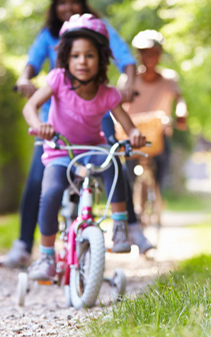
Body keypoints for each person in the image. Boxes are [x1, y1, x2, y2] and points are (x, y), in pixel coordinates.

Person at [0, 0, 152, 269]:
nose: (67, 7)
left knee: (112, 157)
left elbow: (126, 60)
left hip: (95, 115)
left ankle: (128, 226)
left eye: (74, 2)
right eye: (61, 3)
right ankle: (26, 247)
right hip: (54, 127)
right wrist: (23, 79)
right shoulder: (49, 41)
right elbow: (30, 65)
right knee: (39, 183)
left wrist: (129, 86)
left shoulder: (100, 31)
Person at [22, 14, 147, 281]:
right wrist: (39, 125)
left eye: (90, 55)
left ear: (101, 59)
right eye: (76, 55)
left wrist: (135, 134)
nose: (82, 61)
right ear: (66, 57)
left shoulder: (107, 93)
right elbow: (30, 106)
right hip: (60, 150)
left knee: (114, 162)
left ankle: (120, 227)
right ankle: (46, 256)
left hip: (92, 148)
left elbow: (128, 124)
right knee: (52, 192)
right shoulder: (57, 80)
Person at [120, 30, 188, 190]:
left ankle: (157, 192)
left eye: (154, 53)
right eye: (145, 53)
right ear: (139, 55)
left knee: (164, 158)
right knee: (128, 170)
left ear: (160, 54)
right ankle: (131, 198)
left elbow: (179, 99)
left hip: (158, 131)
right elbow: (117, 103)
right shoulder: (128, 79)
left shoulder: (169, 79)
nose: (150, 57)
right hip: (133, 131)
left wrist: (181, 113)